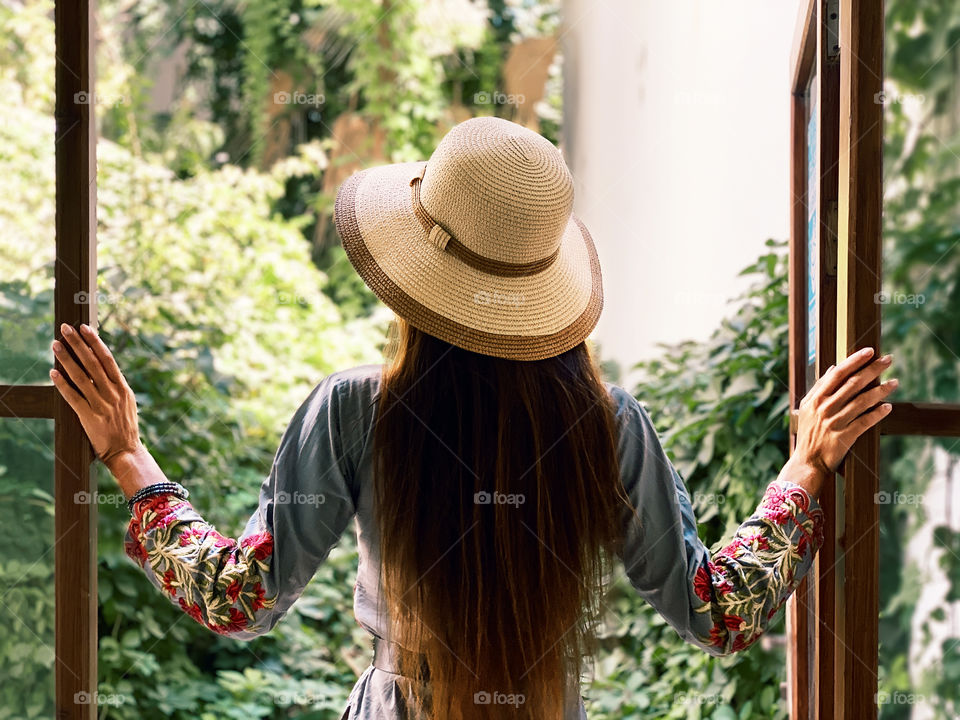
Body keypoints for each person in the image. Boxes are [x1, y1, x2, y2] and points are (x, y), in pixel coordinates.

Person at [50, 117, 897, 720]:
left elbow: (238, 598)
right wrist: (805, 469)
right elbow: (719, 609)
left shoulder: (358, 410)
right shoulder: (606, 426)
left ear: (414, 273)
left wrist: (129, 458)